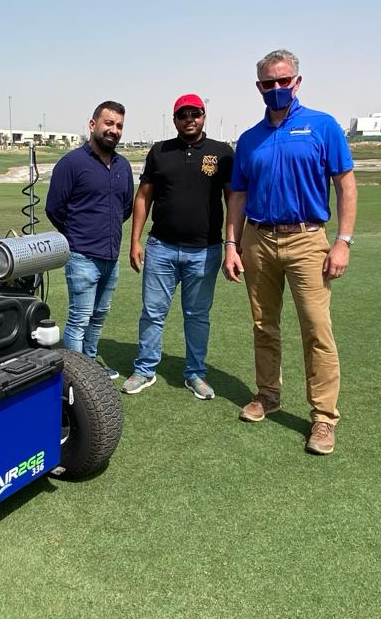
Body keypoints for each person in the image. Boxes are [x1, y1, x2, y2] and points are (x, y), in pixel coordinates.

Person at [223, 49, 357, 455]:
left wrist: (343, 241)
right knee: (264, 326)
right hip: (258, 240)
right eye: (269, 83)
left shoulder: (322, 126)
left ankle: (323, 418)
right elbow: (238, 196)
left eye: (284, 81)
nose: (276, 89)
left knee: (317, 329)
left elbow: (345, 185)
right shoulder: (250, 139)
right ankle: (268, 395)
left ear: (297, 81)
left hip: (307, 239)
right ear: (259, 87)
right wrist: (232, 243)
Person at [122, 95, 233, 399]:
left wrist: (233, 244)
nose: (189, 119)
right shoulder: (159, 151)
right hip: (161, 249)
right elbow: (144, 197)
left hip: (205, 250)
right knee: (153, 313)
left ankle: (195, 374)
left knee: (197, 316)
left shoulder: (222, 153)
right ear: (174, 120)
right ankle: (145, 370)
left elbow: (232, 199)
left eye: (195, 113)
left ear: (204, 116)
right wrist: (135, 241)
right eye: (183, 115)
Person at [46, 101, 134, 379]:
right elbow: (54, 208)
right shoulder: (71, 163)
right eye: (109, 123)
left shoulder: (123, 166)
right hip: (82, 256)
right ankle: (77, 378)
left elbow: (125, 208)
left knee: (98, 317)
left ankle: (91, 368)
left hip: (110, 257)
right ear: (93, 124)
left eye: (119, 125)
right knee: (79, 320)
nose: (114, 130)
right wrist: (78, 234)